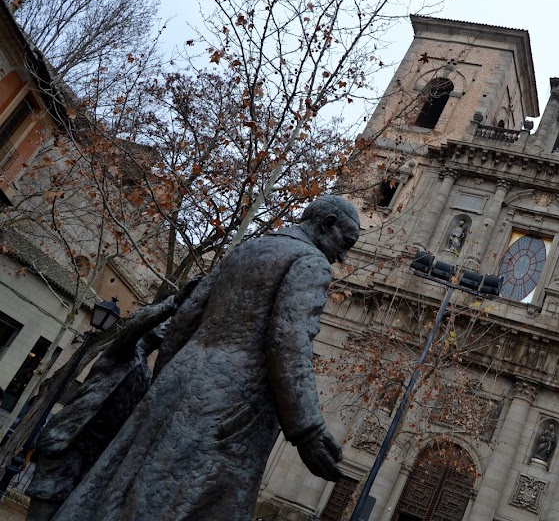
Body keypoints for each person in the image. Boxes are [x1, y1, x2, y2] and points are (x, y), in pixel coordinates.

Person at [53, 195, 361, 521]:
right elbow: (289, 340)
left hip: (181, 377)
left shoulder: (247, 248)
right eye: (346, 242)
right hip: (232, 401)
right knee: (180, 500)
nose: (342, 255)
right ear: (327, 224)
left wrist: (167, 378)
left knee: (128, 487)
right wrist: (307, 429)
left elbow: (185, 318)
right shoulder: (312, 263)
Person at [25, 282, 197, 521]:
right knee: (44, 511)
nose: (168, 326)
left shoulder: (146, 375)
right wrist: (173, 303)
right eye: (164, 322)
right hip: (72, 442)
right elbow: (132, 328)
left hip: (97, 456)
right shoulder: (121, 354)